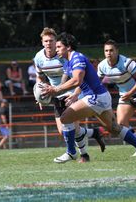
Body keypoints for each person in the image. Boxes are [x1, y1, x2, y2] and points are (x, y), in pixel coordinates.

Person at [43, 33, 136, 164]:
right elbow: (69, 81)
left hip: (95, 97)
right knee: (114, 128)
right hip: (101, 97)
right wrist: (51, 93)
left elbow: (77, 80)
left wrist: (56, 90)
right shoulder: (67, 62)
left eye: (59, 46)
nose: (56, 49)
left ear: (69, 47)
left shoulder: (77, 58)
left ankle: (71, 152)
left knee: (65, 118)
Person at [33, 27, 105, 163]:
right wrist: (40, 96)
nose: (49, 43)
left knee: (70, 126)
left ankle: (83, 155)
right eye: (46, 41)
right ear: (42, 42)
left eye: (51, 41)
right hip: (55, 94)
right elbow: (40, 78)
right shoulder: (38, 58)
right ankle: (94, 133)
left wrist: (76, 94)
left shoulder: (64, 56)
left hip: (71, 92)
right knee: (65, 130)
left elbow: (78, 77)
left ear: (56, 42)